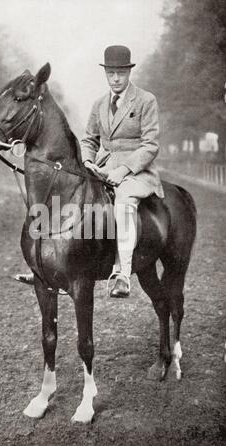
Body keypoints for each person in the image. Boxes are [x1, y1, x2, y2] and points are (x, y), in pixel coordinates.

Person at [81, 45, 164, 297]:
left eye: (120, 73)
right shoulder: (99, 104)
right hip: (103, 168)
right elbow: (88, 140)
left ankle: (123, 274)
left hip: (138, 173)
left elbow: (151, 145)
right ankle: (72, 267)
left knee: (123, 202)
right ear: (105, 74)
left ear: (129, 73)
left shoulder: (145, 100)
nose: (115, 78)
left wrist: (125, 169)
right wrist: (87, 162)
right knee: (77, 198)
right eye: (110, 73)